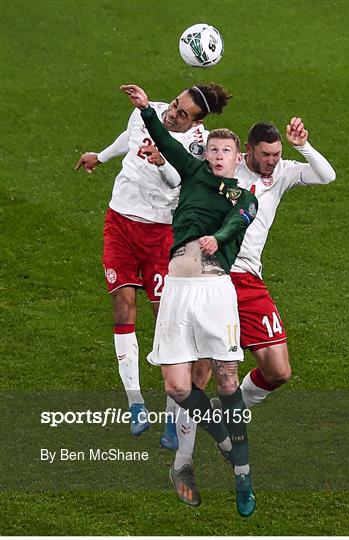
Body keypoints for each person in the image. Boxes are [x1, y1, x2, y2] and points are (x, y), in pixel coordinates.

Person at [164, 119, 336, 470]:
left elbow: (326, 175)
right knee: (199, 369)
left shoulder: (284, 172)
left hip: (251, 281)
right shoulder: (225, 168)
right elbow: (184, 172)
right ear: (248, 152)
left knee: (279, 371)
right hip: (214, 274)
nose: (272, 161)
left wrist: (302, 145)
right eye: (265, 155)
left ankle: (227, 410)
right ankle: (182, 450)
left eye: (276, 154)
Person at [121, 83, 259, 518]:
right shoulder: (194, 172)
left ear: (239, 160)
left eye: (226, 152)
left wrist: (215, 240)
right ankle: (222, 438)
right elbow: (164, 140)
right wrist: (145, 110)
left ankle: (243, 476)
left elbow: (236, 225)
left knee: (226, 383)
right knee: (178, 386)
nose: (218, 156)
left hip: (216, 293)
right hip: (178, 291)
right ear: (206, 153)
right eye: (213, 150)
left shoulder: (244, 196)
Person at [75, 83, 231, 436]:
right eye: (175, 105)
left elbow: (178, 182)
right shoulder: (146, 110)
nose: (172, 113)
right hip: (120, 223)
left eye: (182, 114)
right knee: (122, 308)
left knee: (168, 323)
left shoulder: (195, 145)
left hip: (161, 234)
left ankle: (174, 418)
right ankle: (135, 403)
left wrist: (162, 162)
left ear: (196, 122)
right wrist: (100, 156)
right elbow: (129, 135)